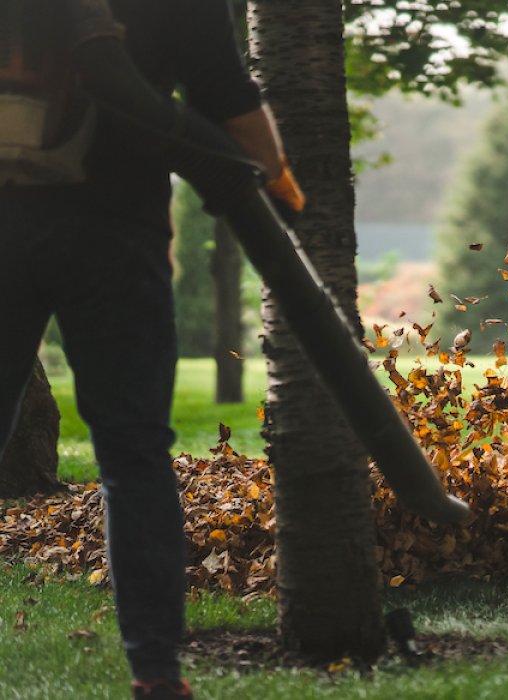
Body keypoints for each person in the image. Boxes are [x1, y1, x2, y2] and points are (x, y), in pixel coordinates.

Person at [0, 1, 301, 697]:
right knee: (134, 456)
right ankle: (158, 677)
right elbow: (227, 100)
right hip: (116, 240)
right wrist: (275, 179)